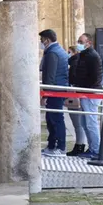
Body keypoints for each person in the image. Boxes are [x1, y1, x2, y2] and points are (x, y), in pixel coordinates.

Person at [71, 33, 102, 158]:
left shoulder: (92, 56)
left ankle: (96, 149)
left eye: (81, 41)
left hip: (91, 93)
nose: (78, 43)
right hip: (85, 93)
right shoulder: (83, 55)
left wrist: (83, 87)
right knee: (85, 123)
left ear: (88, 43)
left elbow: (94, 77)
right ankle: (92, 148)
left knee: (91, 123)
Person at [40, 29, 69, 157]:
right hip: (59, 89)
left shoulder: (52, 53)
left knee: (55, 119)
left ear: (47, 39)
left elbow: (50, 77)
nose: (40, 42)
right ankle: (52, 145)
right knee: (52, 118)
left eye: (41, 40)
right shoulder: (59, 50)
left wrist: (45, 94)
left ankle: (60, 147)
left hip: (55, 91)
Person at [65, 45, 88, 157]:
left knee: (77, 123)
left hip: (74, 94)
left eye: (69, 52)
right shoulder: (78, 61)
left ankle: (79, 145)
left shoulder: (74, 63)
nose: (67, 53)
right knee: (79, 123)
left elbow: (73, 78)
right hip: (79, 94)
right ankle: (80, 144)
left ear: (74, 52)